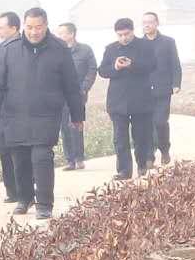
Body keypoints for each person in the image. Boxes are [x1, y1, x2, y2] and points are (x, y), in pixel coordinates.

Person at [0, 7, 85, 220]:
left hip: (46, 114)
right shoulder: (9, 49)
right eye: (29, 27)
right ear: (24, 26)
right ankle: (25, 198)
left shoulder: (59, 49)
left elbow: (71, 86)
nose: (33, 32)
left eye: (38, 27)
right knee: (19, 158)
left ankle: (44, 203)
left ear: (46, 25)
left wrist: (77, 116)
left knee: (41, 158)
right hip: (15, 114)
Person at [99, 18, 158, 180]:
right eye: (120, 35)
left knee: (141, 136)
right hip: (117, 101)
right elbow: (102, 71)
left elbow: (152, 66)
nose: (123, 38)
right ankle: (124, 171)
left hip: (140, 99)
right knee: (120, 139)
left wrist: (132, 64)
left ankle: (142, 166)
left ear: (133, 31)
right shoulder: (111, 49)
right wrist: (115, 67)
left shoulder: (145, 46)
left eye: (126, 34)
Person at [0, 11, 23, 204]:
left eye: (1, 27)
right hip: (3, 110)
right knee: (5, 151)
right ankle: (12, 191)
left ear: (14, 28)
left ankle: (26, 190)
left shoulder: (26, 47)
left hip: (23, 110)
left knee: (22, 152)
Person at [142, 11, 182, 165]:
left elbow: (175, 64)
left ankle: (164, 149)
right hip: (144, 90)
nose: (147, 25)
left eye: (150, 22)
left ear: (157, 23)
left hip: (163, 89)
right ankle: (149, 155)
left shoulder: (168, 42)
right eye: (144, 22)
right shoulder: (139, 44)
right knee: (146, 123)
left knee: (160, 122)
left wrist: (176, 83)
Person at [56, 22, 97, 170]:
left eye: (62, 33)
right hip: (60, 95)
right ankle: (70, 160)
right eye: (58, 33)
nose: (59, 36)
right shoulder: (56, 51)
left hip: (78, 94)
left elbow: (92, 70)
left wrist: (84, 88)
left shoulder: (85, 50)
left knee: (75, 124)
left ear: (71, 34)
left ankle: (79, 158)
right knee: (64, 127)